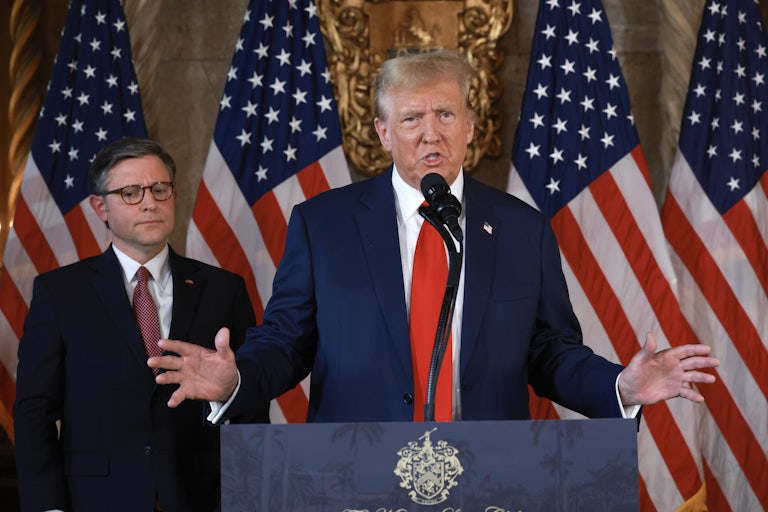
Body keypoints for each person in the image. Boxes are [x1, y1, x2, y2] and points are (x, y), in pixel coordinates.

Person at [149, 50, 718, 425]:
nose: (431, 134)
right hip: (355, 475)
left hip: (488, 477)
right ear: (382, 132)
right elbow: (286, 342)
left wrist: (622, 384)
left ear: (470, 127)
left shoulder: (522, 228)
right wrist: (237, 378)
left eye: (446, 115)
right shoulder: (322, 224)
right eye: (412, 118)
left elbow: (551, 353)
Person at [13, 137, 269, 512]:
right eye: (131, 192)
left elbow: (252, 406)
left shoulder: (223, 289)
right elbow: (35, 410)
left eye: (159, 189)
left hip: (202, 497)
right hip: (94, 499)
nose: (150, 202)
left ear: (174, 195)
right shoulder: (60, 293)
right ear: (100, 206)